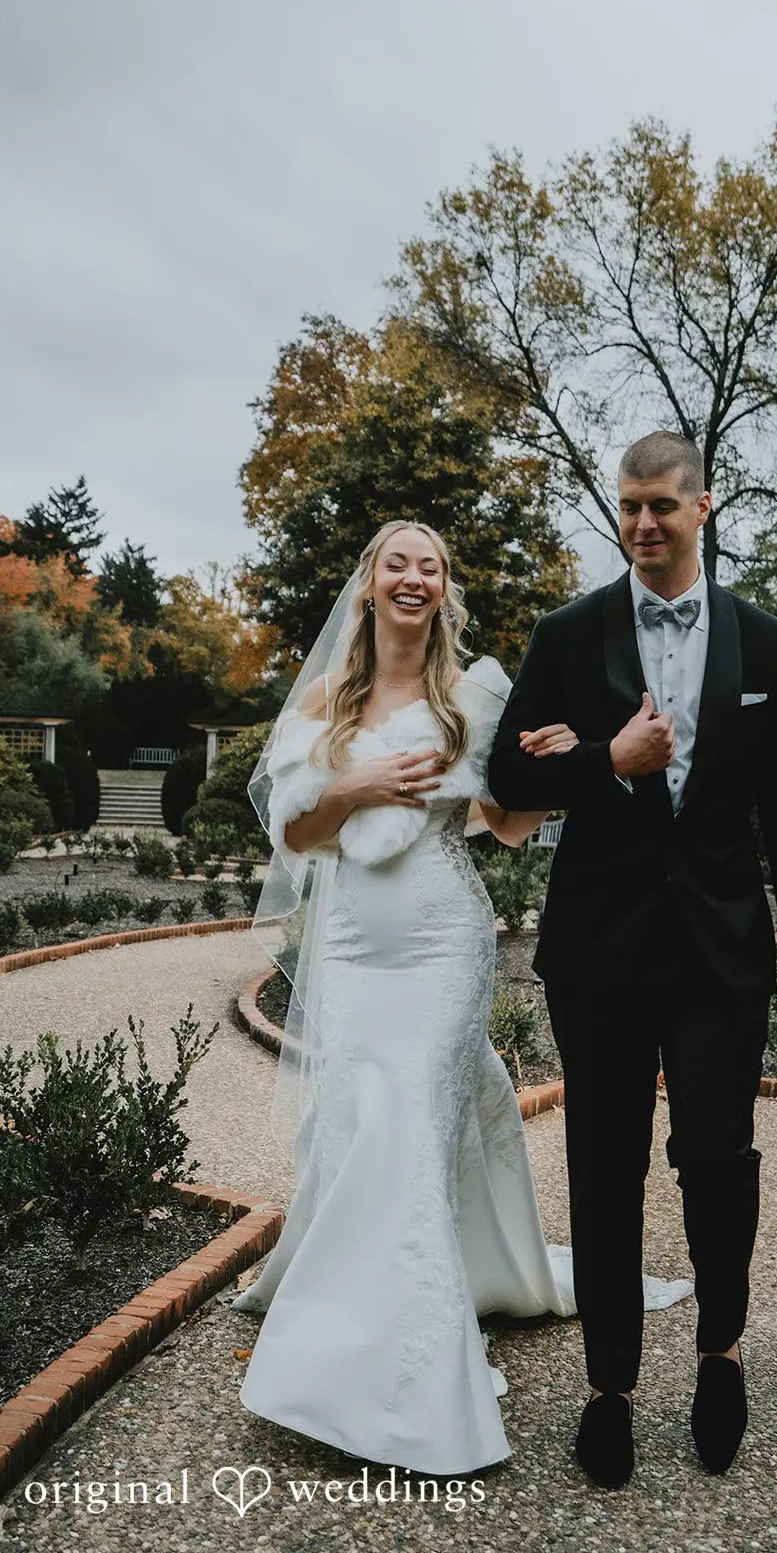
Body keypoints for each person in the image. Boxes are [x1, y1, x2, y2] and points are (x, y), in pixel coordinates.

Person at [229, 518, 693, 1478]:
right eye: (397, 563)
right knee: (362, 1118)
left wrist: (566, 756)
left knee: (409, 1127)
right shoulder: (324, 697)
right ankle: (355, 1317)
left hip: (444, 941)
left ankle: (407, 1367)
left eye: (430, 567)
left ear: (442, 589)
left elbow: (509, 825)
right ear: (369, 584)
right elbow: (299, 833)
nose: (414, 577)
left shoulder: (471, 691)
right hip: (354, 944)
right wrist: (353, 785)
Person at [486, 433, 777, 1487]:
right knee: (604, 1169)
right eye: (628, 507)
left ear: (703, 508)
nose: (642, 524)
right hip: (598, 948)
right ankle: (608, 1389)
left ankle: (719, 1355)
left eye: (661, 508)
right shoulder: (569, 632)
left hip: (719, 949)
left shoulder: (764, 644)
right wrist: (605, 762)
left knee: (717, 1158)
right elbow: (503, 772)